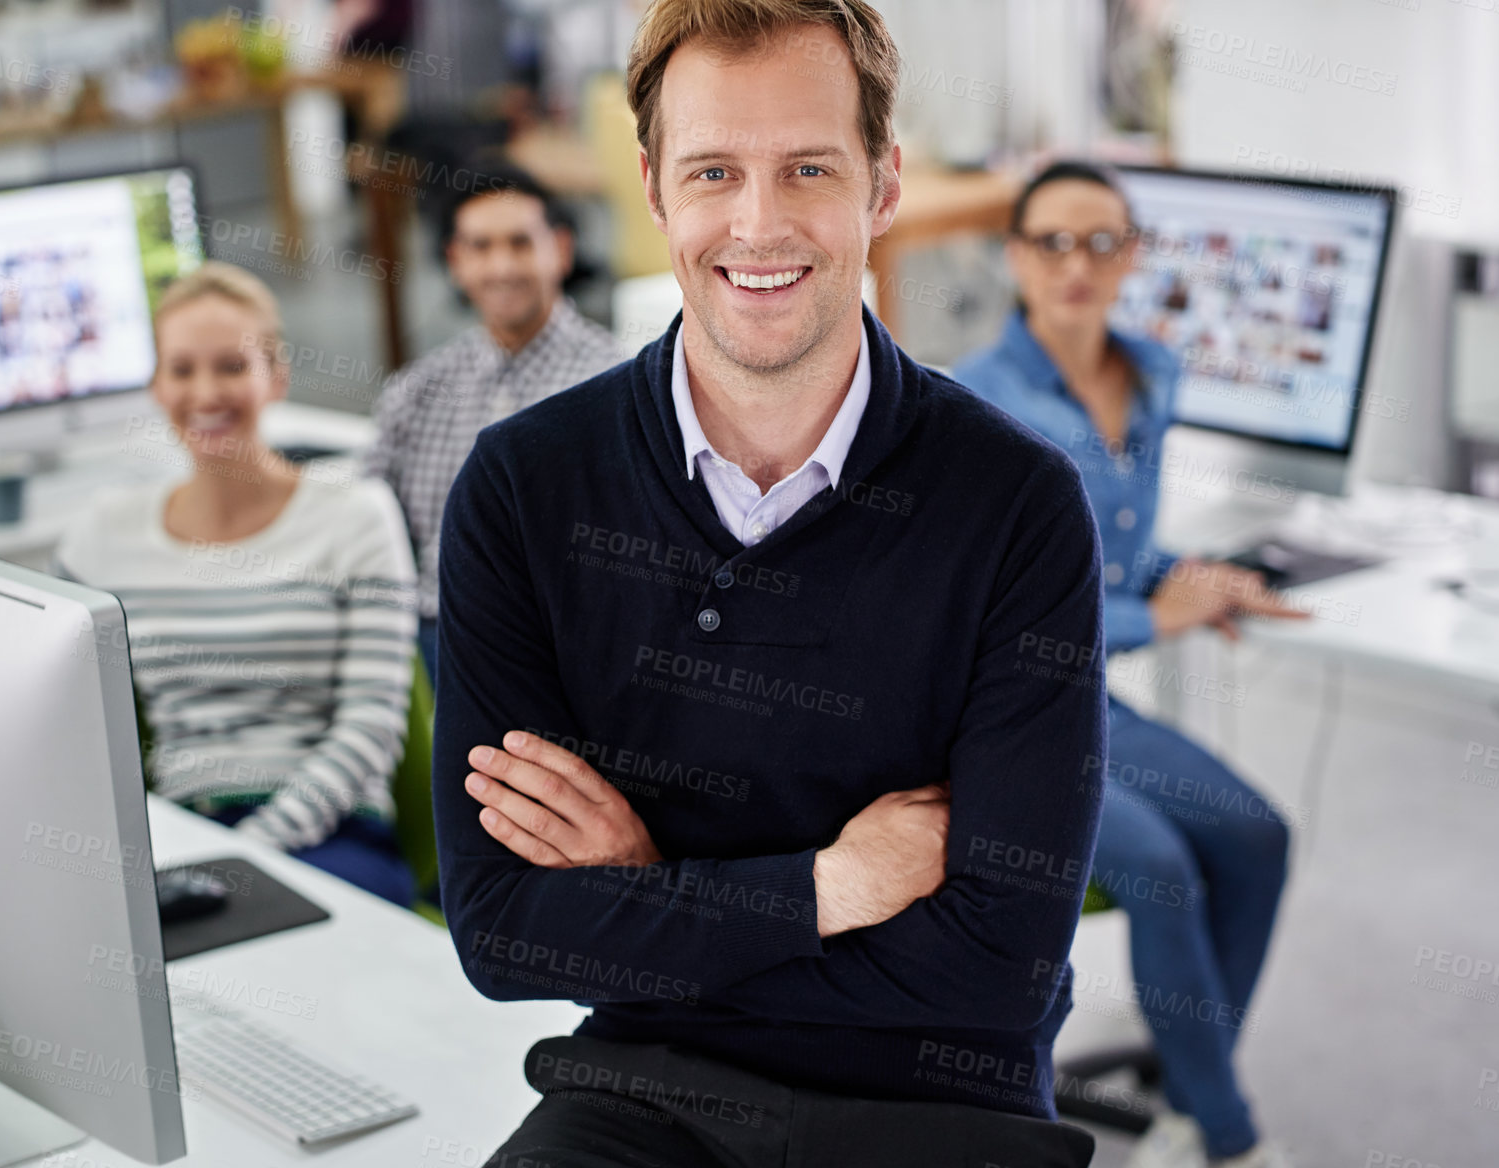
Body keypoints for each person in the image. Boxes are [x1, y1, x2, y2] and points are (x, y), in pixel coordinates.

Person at [432, 3, 1108, 1165]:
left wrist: (653, 896)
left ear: (882, 185)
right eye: (712, 171)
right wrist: (826, 887)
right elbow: (502, 931)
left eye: (808, 167)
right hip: (641, 1090)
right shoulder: (521, 488)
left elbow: (1002, 966)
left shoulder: (1017, 504)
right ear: (652, 189)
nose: (758, 223)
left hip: (941, 1097)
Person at [953, 161, 1304, 1168]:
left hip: (1089, 697)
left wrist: (1193, 578)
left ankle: (1196, 1093)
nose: (1077, 264)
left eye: (1102, 241)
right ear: (1016, 258)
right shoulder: (978, 401)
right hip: (997, 715)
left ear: (1134, 257)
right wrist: (1158, 619)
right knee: (1157, 868)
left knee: (1256, 835)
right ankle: (1229, 1138)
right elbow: (996, 612)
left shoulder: (1151, 371)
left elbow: (1108, 548)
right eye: (1051, 242)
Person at [56, 262, 421, 905]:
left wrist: (249, 855)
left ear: (275, 376)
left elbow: (371, 725)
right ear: (155, 384)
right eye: (182, 368)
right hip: (175, 832)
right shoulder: (102, 536)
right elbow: (64, 722)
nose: (206, 392)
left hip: (330, 835)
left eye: (231, 366)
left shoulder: (358, 515)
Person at [361, 163, 621, 674]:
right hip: (429, 639)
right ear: (455, 261)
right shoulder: (417, 390)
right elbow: (368, 523)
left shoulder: (614, 384)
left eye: (521, 243)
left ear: (561, 250)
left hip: (557, 646)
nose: (501, 266)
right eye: (480, 247)